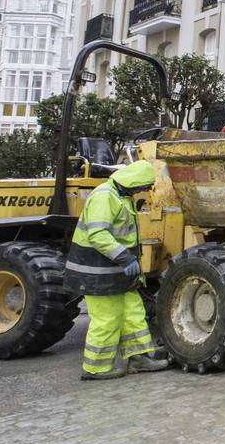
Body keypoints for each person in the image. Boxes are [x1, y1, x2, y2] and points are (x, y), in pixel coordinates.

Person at [64, 160, 170, 380]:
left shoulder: (123, 198)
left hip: (117, 272)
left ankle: (139, 358)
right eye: (143, 186)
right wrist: (125, 258)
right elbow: (98, 235)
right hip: (97, 273)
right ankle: (96, 368)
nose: (143, 191)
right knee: (107, 320)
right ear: (133, 182)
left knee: (133, 314)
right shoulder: (104, 197)